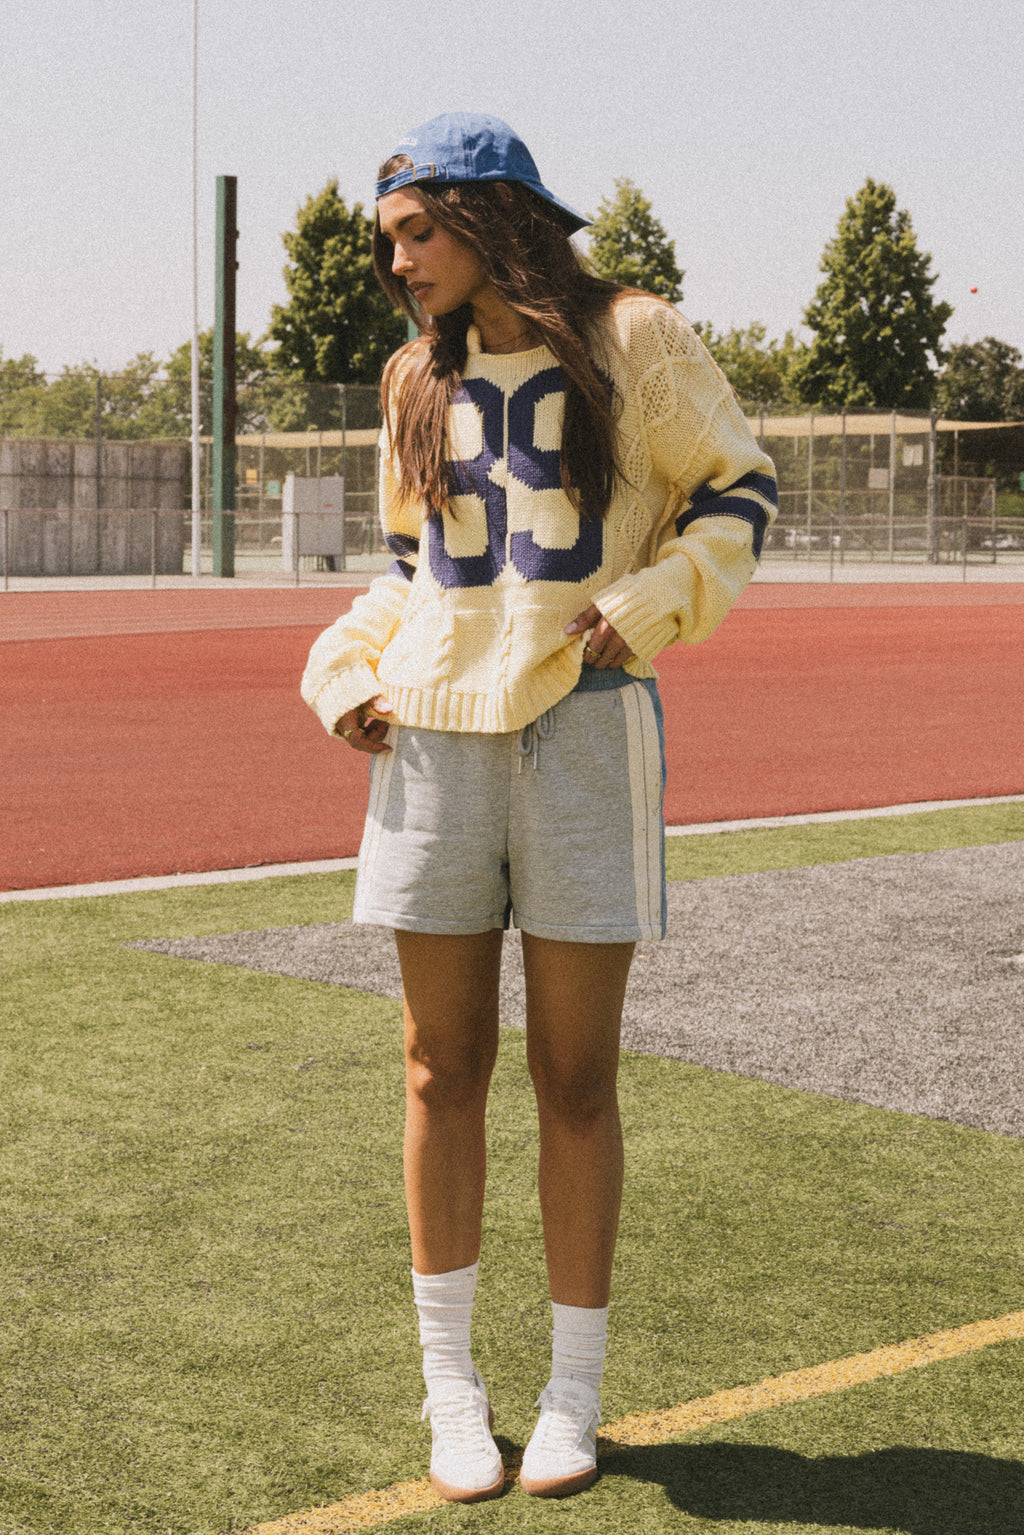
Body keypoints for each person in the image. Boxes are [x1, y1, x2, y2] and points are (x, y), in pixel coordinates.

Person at [301, 111, 777, 1502]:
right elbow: (420, 575)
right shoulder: (411, 379)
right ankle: (456, 1391)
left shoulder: (635, 337)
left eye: (416, 233)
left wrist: (655, 600)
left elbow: (739, 485)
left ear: (493, 215)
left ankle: (573, 1396)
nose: (398, 265)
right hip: (434, 752)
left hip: (585, 735)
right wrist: (344, 668)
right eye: (387, 240)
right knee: (440, 1072)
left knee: (577, 1079)